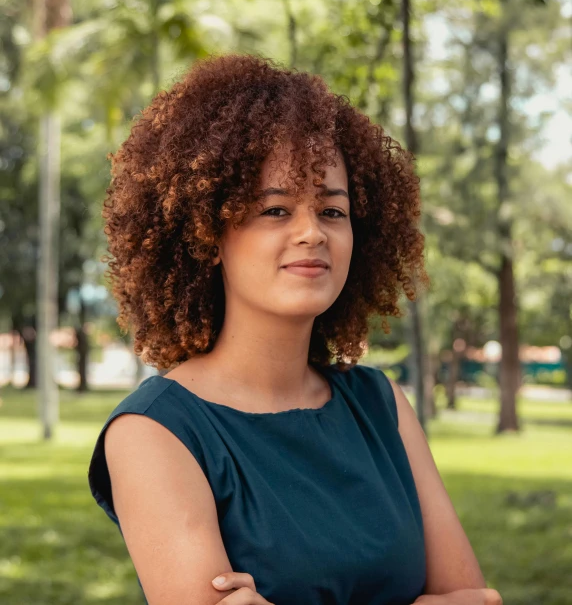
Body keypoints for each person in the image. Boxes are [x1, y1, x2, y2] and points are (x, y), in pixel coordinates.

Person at [88, 53, 501, 605]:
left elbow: (478, 598)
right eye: (275, 211)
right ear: (208, 234)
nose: (312, 233)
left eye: (332, 211)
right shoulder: (155, 432)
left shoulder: (380, 405)